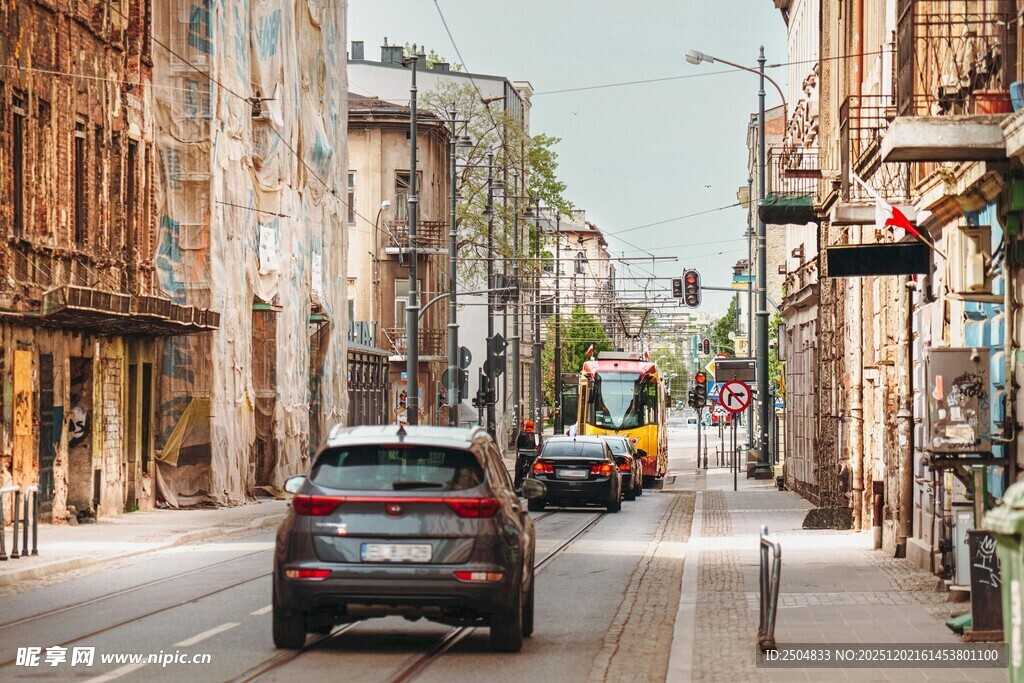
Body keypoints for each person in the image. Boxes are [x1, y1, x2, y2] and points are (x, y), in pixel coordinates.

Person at [514, 421, 538, 489]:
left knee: (518, 469)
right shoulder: (535, 435)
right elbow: (538, 446)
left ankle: (517, 485)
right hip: (532, 457)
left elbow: (518, 446)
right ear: (533, 427)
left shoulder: (522, 435)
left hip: (522, 456)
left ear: (526, 426)